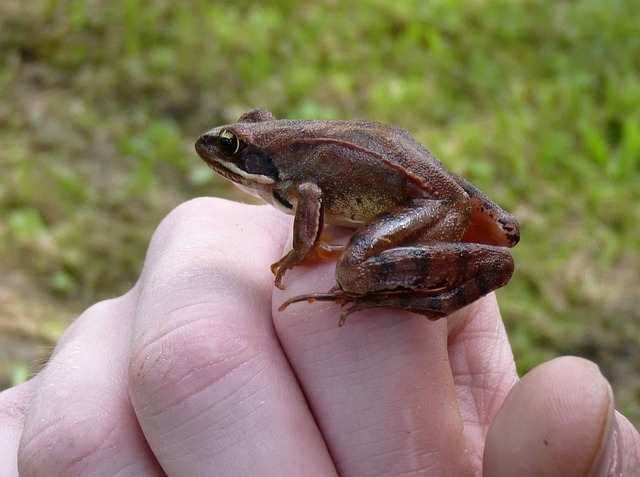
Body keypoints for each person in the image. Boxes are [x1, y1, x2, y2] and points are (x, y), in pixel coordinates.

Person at [1, 198, 638, 476]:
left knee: (354, 269)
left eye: (235, 146)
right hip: (445, 200)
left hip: (425, 208)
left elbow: (308, 215)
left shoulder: (299, 184)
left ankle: (379, 291)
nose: (223, 153)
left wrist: (289, 263)